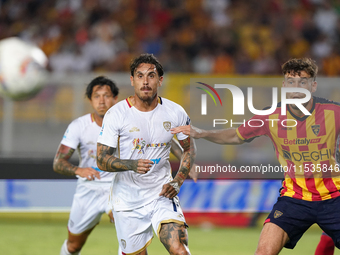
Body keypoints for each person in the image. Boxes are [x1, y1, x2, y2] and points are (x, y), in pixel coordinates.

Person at [171, 58, 340, 255]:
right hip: (294, 199)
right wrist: (202, 132)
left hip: (334, 197)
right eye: (291, 82)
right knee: (263, 252)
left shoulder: (333, 112)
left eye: (303, 82)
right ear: (284, 86)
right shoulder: (270, 115)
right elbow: (236, 135)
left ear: (313, 86)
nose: (297, 88)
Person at [96, 53, 196, 255]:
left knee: (180, 251)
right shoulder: (116, 114)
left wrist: (178, 181)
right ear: (132, 80)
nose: (145, 81)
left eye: (151, 75)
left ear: (160, 80)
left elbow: (189, 148)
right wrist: (131, 165)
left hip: (162, 195)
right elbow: (101, 159)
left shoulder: (175, 112)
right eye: (140, 76)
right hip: (127, 201)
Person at [53, 76, 122, 255]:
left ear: (115, 99)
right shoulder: (79, 126)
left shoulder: (127, 125)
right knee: (74, 245)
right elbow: (58, 163)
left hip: (118, 187)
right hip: (89, 188)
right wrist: (78, 170)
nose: (101, 101)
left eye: (106, 96)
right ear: (90, 100)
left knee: (129, 235)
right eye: (96, 96)